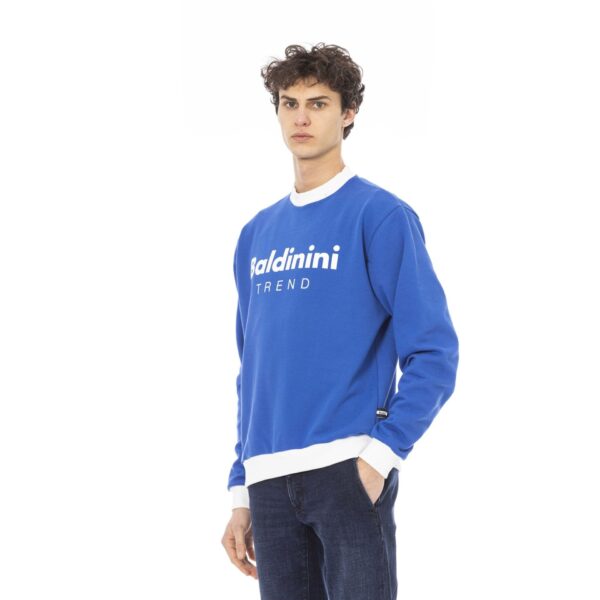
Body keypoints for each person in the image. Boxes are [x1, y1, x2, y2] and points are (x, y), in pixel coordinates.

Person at [220, 42, 459, 600]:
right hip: (268, 482)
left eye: (319, 103)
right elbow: (252, 369)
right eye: (290, 103)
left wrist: (379, 457)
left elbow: (433, 351)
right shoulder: (256, 235)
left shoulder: (380, 216)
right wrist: (241, 487)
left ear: (348, 113)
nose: (301, 117)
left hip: (346, 470)